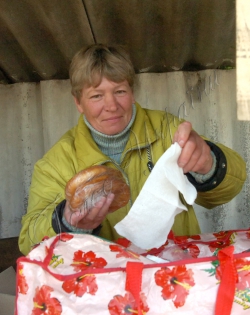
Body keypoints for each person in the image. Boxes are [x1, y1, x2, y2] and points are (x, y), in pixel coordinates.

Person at [18, 44, 247, 255]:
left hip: (174, 275)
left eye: (119, 91)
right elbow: (29, 242)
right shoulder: (55, 163)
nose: (111, 106)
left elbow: (232, 186)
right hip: (104, 283)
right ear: (78, 102)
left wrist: (209, 164)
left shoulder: (169, 131)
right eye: (97, 96)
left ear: (132, 91)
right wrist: (67, 223)